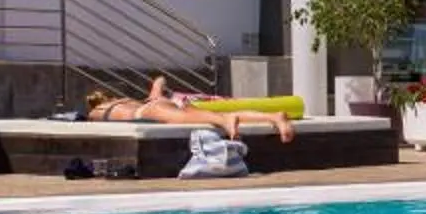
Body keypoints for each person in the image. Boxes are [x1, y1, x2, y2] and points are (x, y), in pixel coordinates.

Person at [85, 76, 297, 143]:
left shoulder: (97, 112)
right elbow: (158, 84)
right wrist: (157, 85)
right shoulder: (128, 100)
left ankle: (226, 122)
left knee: (221, 118)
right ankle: (274, 116)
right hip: (157, 104)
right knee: (219, 115)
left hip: (148, 112)